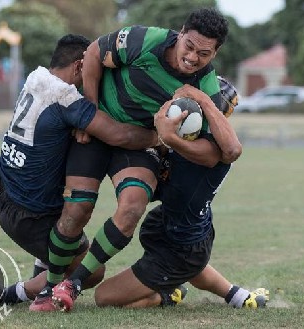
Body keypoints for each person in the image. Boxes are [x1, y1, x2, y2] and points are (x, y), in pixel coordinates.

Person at [32, 8, 234, 313]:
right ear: (180, 33)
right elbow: (94, 53)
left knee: (132, 206)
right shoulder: (144, 40)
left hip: (138, 143)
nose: (193, 58)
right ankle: (48, 286)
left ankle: (71, 285)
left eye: (204, 53)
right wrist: (90, 109)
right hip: (99, 130)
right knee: (77, 209)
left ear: (216, 51)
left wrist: (170, 138)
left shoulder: (206, 86)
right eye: (189, 47)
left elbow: (218, 152)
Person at [0, 34, 158, 311]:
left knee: (66, 217)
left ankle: (38, 274)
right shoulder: (64, 96)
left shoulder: (37, 77)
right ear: (81, 65)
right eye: (93, 69)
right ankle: (12, 294)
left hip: (4, 196)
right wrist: (159, 138)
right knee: (92, 272)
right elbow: (118, 135)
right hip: (31, 216)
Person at [93, 78, 269, 309]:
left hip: (183, 246)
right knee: (192, 266)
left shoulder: (216, 150)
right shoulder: (192, 136)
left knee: (104, 297)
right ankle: (239, 296)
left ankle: (167, 295)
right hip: (181, 227)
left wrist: (174, 134)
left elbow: (231, 149)